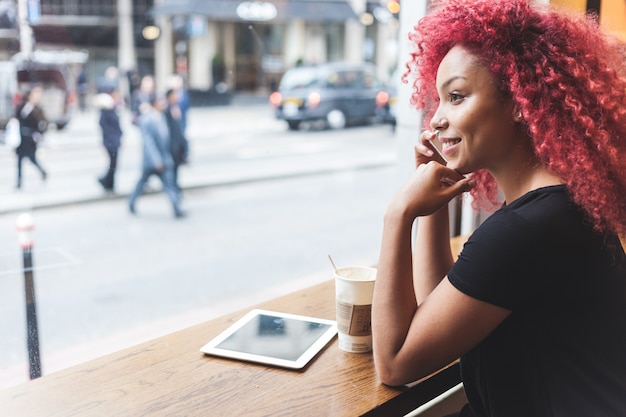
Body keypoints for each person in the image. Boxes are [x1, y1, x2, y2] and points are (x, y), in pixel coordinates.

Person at [371, 1, 626, 416]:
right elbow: (442, 311)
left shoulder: (526, 230)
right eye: (438, 101)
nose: (435, 120)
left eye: (456, 97)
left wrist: (398, 215)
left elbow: (396, 362)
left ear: (517, 100)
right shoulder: (558, 208)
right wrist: (436, 204)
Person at [128, 94, 185, 219]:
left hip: (164, 159)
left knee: (169, 184)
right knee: (142, 182)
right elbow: (149, 143)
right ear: (154, 104)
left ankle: (177, 208)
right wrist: (157, 161)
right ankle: (131, 202)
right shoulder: (147, 119)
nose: (164, 104)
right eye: (161, 102)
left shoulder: (162, 117)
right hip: (152, 161)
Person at [15, 85, 48, 189]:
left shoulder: (38, 109)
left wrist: (39, 135)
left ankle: (43, 171)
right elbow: (17, 117)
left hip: (31, 139)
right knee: (19, 160)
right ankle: (19, 182)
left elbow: (43, 124)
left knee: (32, 159)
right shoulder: (22, 106)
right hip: (21, 138)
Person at [96, 89, 123, 192]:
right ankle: (107, 182)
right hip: (111, 142)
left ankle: (109, 182)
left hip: (114, 141)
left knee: (114, 163)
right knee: (113, 163)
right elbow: (106, 127)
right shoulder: (107, 111)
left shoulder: (113, 109)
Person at [164, 88, 189, 192]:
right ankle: (173, 190)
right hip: (171, 146)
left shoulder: (177, 109)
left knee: (176, 170)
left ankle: (175, 188)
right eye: (175, 95)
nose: (178, 97)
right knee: (171, 171)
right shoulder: (166, 111)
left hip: (179, 145)